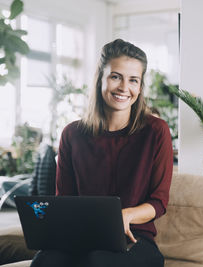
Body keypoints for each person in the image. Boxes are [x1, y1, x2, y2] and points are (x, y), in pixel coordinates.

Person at [31, 39, 174, 267]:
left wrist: (126, 215)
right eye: (115, 76)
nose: (124, 88)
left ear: (140, 87)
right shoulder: (72, 134)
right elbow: (65, 200)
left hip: (135, 239)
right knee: (44, 262)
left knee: (96, 261)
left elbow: (159, 202)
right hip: (82, 237)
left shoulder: (156, 131)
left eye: (133, 80)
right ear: (100, 79)